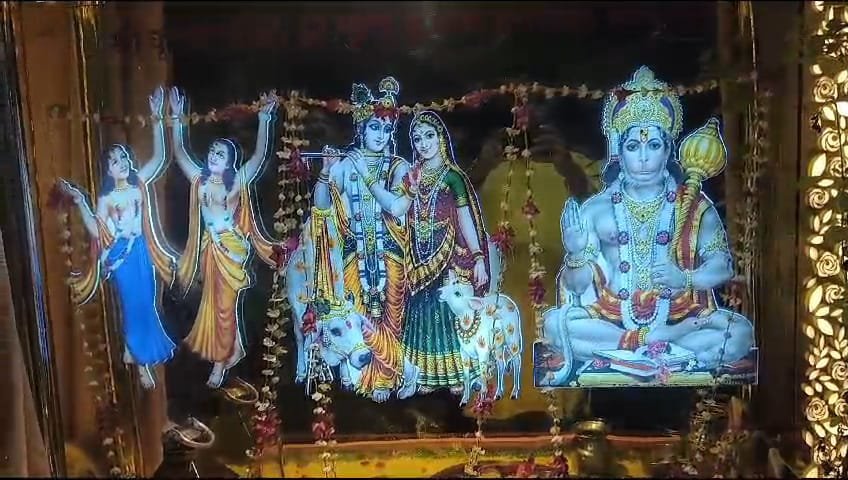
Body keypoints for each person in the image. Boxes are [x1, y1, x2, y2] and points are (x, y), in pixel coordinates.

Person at [548, 66, 754, 383]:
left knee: (738, 331)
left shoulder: (694, 205)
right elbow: (576, 287)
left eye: (654, 145)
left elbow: (722, 266)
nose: (643, 157)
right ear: (619, 152)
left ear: (668, 149)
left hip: (679, 317)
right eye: (633, 147)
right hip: (612, 319)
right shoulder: (596, 210)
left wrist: (685, 279)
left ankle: (643, 347)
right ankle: (654, 345)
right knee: (555, 325)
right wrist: (575, 254)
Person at [58, 86, 178, 389]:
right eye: (114, 161)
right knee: (133, 305)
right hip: (122, 256)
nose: (121, 162)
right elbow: (98, 229)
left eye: (123, 157)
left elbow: (160, 157)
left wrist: (156, 116)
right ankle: (140, 363)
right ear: (108, 171)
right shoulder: (107, 199)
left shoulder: (138, 184)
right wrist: (81, 202)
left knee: (148, 304)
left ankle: (132, 352)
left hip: (142, 251)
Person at [311, 76, 417, 402]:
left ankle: (387, 376)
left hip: (390, 255)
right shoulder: (345, 165)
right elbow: (321, 207)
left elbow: (396, 206)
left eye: (386, 129)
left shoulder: (399, 166)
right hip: (354, 255)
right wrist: (326, 171)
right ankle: (381, 375)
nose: (381, 135)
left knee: (390, 318)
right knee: (358, 319)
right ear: (361, 128)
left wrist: (367, 176)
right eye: (374, 127)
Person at [168, 87, 281, 388]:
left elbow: (258, 157)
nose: (213, 155)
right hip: (210, 250)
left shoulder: (235, 184)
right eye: (212, 151)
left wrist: (265, 119)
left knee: (224, 307)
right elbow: (180, 153)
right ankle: (235, 348)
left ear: (230, 162)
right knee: (217, 305)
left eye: (221, 153)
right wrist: (177, 118)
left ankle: (220, 363)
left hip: (230, 249)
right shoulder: (200, 181)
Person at [400, 110, 492, 395]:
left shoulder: (453, 178)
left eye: (429, 136)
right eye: (417, 139)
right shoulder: (412, 177)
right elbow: (399, 212)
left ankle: (457, 374)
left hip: (449, 253)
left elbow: (465, 218)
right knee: (422, 313)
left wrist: (478, 256)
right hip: (417, 254)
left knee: (448, 310)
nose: (424, 144)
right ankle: (425, 374)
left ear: (441, 138)